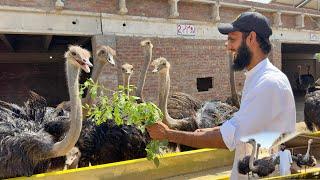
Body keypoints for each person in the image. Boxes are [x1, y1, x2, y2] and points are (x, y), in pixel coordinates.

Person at [147, 11, 296, 179]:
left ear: (251, 39)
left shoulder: (268, 83)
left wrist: (169, 134)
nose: (228, 46)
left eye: (232, 39)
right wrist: (209, 130)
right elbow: (240, 123)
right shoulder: (257, 78)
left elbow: (227, 139)